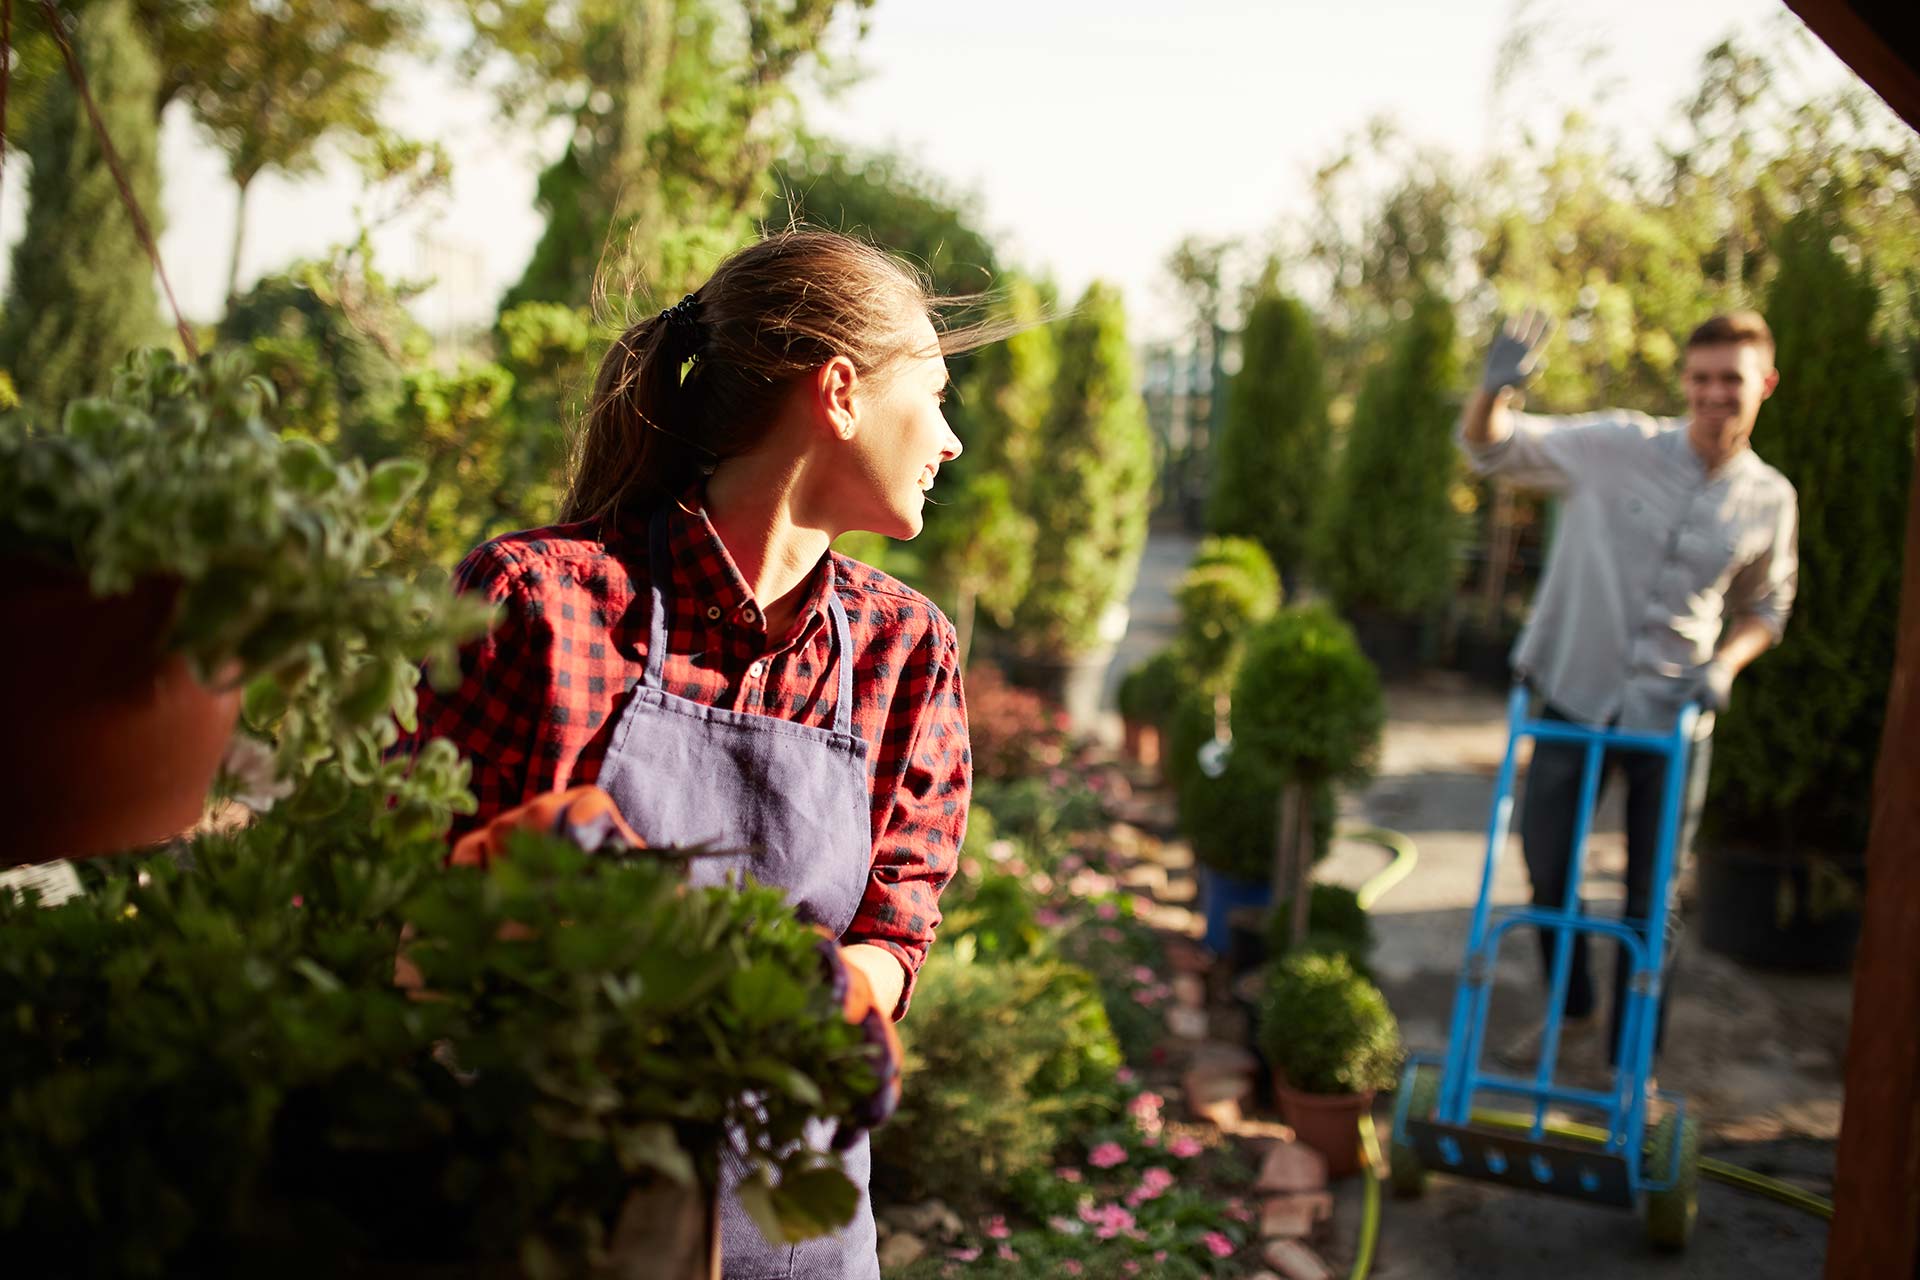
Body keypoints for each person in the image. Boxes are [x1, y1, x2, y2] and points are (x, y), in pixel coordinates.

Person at [409, 230, 1003, 1278]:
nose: (950, 439)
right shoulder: (539, 606)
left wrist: (753, 986)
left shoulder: (903, 652)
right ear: (841, 392)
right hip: (553, 1228)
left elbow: (888, 945)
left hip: (796, 1240)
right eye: (939, 394)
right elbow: (408, 925)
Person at [1457, 309, 1799, 1070]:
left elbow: (1767, 606)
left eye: (1731, 381)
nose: (1715, 395)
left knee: (1654, 901)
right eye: (1702, 378)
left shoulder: (1770, 498)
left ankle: (1630, 1066)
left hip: (1673, 716)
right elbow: (1491, 448)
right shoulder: (1613, 448)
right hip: (1573, 695)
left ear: (1764, 385)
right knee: (1546, 863)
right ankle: (1573, 1004)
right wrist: (1493, 392)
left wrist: (1726, 665)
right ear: (1685, 381)